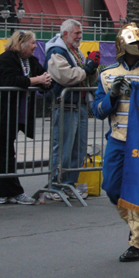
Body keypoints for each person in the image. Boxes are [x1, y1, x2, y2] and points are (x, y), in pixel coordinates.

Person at [93, 24, 139, 262]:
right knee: (112, 188)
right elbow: (97, 111)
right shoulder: (106, 74)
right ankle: (137, 227)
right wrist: (112, 94)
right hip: (118, 140)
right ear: (125, 46)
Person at [0, 30, 52, 205]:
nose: (36, 46)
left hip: (14, 116)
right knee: (4, 153)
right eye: (33, 43)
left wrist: (47, 81)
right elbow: (12, 80)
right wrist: (37, 80)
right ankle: (14, 192)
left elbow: (43, 78)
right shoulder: (6, 60)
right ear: (21, 44)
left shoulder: (31, 61)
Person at [44, 19, 99, 200]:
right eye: (76, 33)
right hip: (66, 105)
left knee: (79, 149)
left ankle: (69, 184)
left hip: (79, 105)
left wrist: (92, 69)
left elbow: (82, 73)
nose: (80, 36)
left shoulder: (74, 51)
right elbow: (65, 76)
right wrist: (87, 69)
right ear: (65, 34)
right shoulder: (56, 51)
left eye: (80, 32)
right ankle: (57, 183)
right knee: (64, 148)